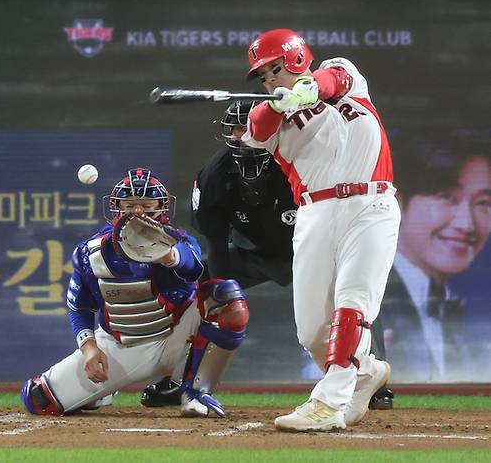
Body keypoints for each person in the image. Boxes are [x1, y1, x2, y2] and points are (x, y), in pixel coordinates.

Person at [141, 100, 394, 410]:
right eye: (234, 130)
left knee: (355, 289)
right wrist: (222, 293)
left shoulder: (299, 161)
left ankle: (373, 379)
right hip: (256, 256)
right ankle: (181, 379)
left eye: (246, 127)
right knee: (195, 282)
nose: (240, 136)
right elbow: (216, 242)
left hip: (317, 249)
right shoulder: (214, 176)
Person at [241, 28, 401, 431]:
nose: (269, 80)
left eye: (274, 69)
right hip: (315, 212)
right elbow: (258, 127)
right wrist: (280, 103)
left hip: (372, 204)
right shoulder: (268, 115)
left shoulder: (342, 73)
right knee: (313, 331)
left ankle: (327, 402)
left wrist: (308, 89)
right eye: (263, 76)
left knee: (353, 304)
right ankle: (364, 373)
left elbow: (335, 81)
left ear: (295, 58)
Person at [20, 168, 250, 418]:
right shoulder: (90, 252)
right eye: (129, 204)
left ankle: (193, 392)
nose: (138, 212)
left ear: (161, 208)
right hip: (121, 344)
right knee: (38, 399)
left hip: (177, 336)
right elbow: (79, 306)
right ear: (116, 208)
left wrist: (169, 256)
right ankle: (102, 393)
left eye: (146, 204)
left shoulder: (177, 241)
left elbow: (193, 268)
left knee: (225, 297)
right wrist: (88, 347)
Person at [376, 136, 491, 381]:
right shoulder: (372, 292)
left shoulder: (448, 302)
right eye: (447, 197)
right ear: (397, 203)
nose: (466, 224)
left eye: (483, 203)